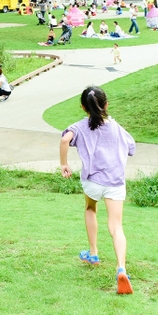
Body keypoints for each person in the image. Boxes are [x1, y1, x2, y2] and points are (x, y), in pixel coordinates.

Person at [59, 86, 136, 295]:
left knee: (90, 208)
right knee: (116, 226)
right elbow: (131, 148)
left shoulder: (81, 126)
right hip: (114, 183)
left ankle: (93, 253)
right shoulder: (117, 127)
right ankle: (121, 268)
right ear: (106, 105)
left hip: (93, 182)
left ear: (83, 107)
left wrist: (64, 164)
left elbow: (65, 139)